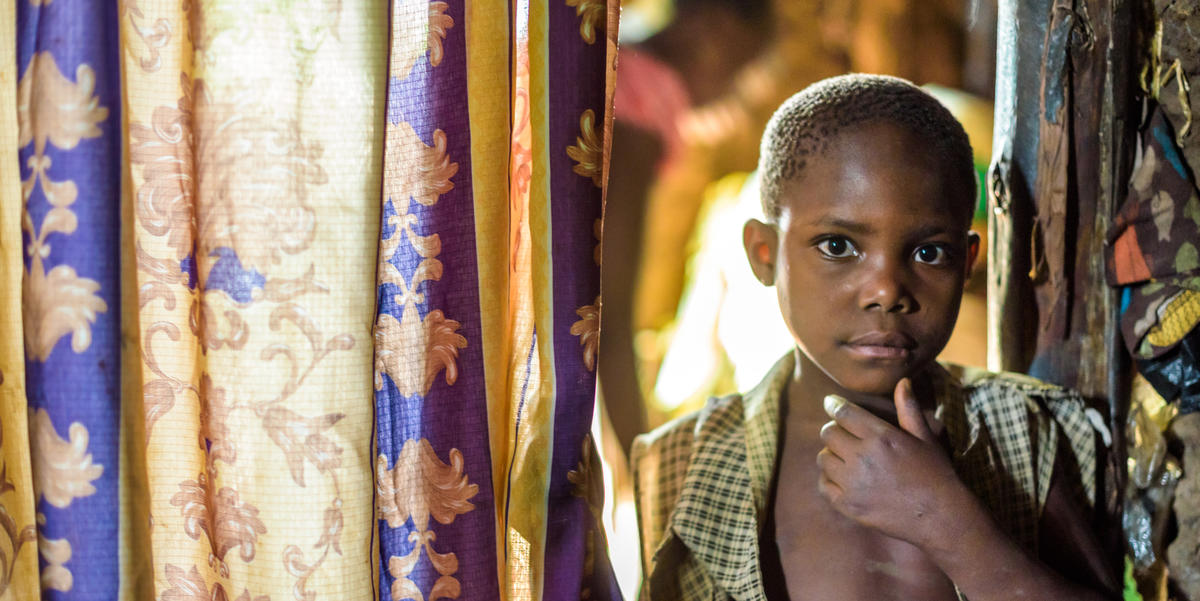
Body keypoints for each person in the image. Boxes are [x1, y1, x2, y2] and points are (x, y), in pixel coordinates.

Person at [629, 74, 1121, 601]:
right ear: (764, 253)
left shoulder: (1023, 430)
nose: (887, 290)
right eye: (838, 246)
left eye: (929, 252)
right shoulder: (686, 462)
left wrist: (947, 522)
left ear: (967, 263)